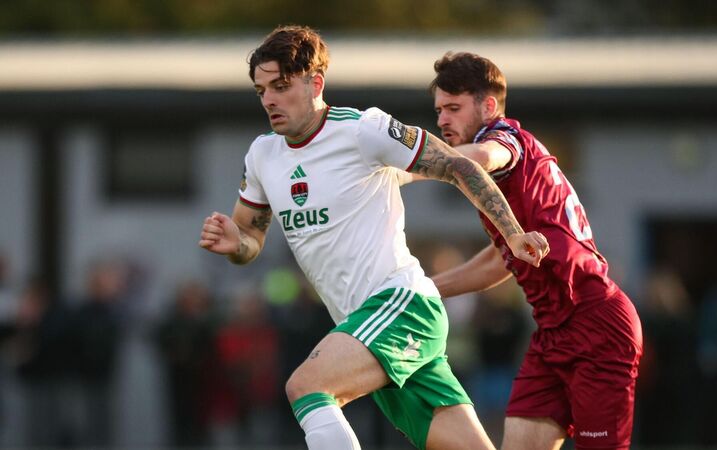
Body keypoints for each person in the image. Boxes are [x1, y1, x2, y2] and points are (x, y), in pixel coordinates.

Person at [198, 26, 549, 450]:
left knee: (307, 387)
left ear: (315, 84)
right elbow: (250, 237)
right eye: (261, 90)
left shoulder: (365, 129)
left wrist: (512, 233)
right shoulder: (262, 155)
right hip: (362, 326)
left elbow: (458, 166)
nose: (269, 99)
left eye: (281, 86)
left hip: (400, 305)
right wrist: (236, 244)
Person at [425, 52, 643, 450]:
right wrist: (423, 288)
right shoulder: (504, 185)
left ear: (488, 107)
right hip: (551, 335)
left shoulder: (505, 140)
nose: (442, 120)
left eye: (453, 108)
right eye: (439, 110)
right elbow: (498, 261)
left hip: (596, 325)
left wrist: (407, 162)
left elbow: (486, 157)